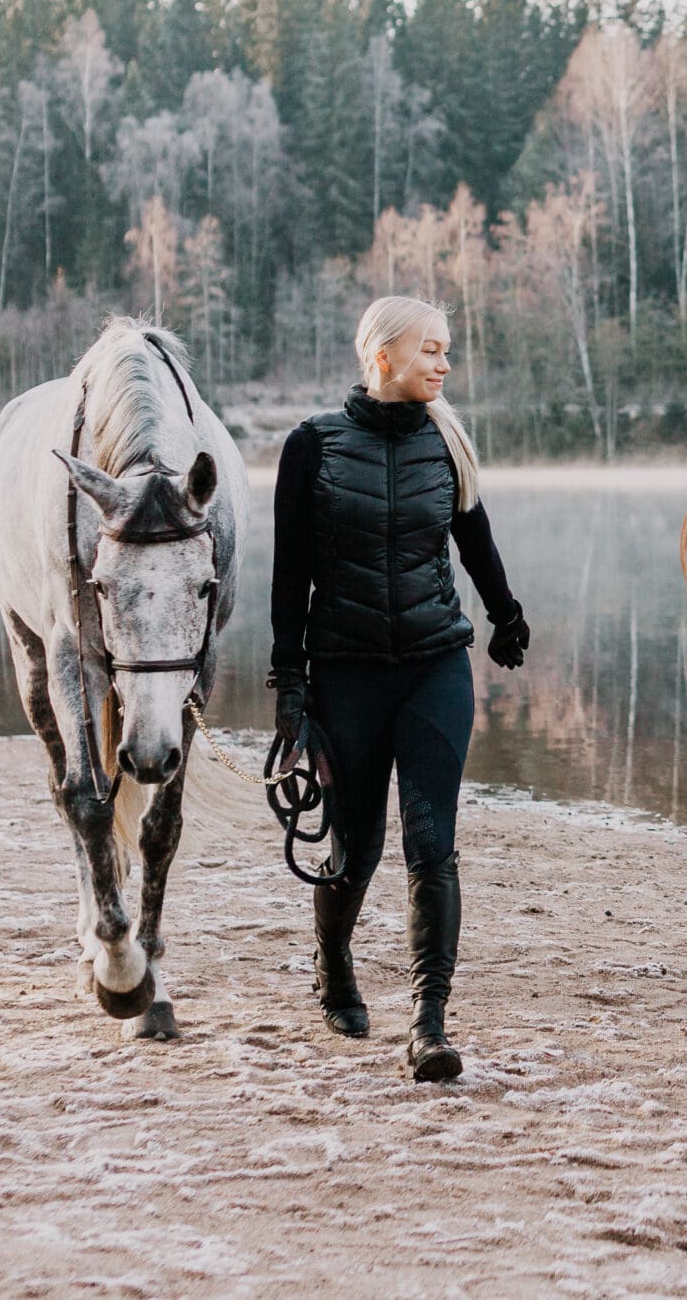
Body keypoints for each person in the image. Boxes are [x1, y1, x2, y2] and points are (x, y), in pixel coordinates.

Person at [270, 295, 530, 1082]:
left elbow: (474, 540)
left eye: (448, 350)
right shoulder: (311, 447)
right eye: (431, 350)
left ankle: (429, 1025)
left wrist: (506, 613)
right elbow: (290, 580)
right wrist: (290, 685)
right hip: (345, 674)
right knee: (355, 848)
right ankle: (334, 962)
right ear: (382, 355)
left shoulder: (445, 444)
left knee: (431, 844)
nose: (444, 365)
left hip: (433, 667)